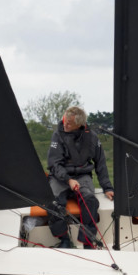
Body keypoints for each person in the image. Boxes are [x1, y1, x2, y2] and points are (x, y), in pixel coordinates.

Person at [46, 106, 114, 248]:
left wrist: (107, 187)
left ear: (79, 125)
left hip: (83, 176)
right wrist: (68, 180)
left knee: (90, 201)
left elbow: (100, 163)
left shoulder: (93, 137)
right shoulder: (57, 135)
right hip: (60, 177)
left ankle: (87, 242)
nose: (65, 124)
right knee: (52, 202)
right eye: (65, 119)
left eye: (69, 123)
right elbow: (54, 164)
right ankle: (64, 239)